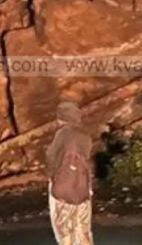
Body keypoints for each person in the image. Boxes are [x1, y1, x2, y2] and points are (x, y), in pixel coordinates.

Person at [46, 101, 94, 245]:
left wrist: (52, 175)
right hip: (82, 189)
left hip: (63, 189)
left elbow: (51, 156)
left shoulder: (63, 133)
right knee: (83, 230)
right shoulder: (86, 136)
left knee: (65, 232)